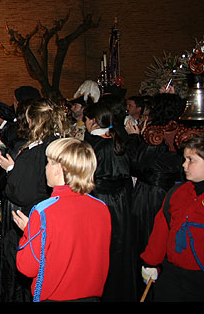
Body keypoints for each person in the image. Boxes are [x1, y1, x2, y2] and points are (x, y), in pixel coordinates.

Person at [13, 137, 111, 302]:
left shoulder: (44, 211)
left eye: (49, 162)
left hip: (55, 296)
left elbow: (27, 267)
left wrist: (29, 232)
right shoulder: (101, 207)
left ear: (59, 168)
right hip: (90, 296)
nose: (45, 167)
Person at [0, 97, 69, 302]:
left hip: (28, 215)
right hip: (41, 211)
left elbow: (24, 190)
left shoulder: (40, 150)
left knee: (22, 272)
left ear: (35, 120)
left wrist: (9, 169)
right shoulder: (54, 144)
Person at [125, 93, 185, 298]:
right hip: (169, 191)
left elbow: (136, 163)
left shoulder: (156, 134)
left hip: (151, 194)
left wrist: (133, 137)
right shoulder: (179, 131)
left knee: (147, 240)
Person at [83, 98, 137, 301]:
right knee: (119, 248)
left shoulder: (94, 145)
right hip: (121, 202)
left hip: (101, 201)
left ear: (92, 122)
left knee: (103, 252)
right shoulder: (116, 139)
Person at [140, 134, 204, 302]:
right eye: (184, 159)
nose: (184, 165)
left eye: (191, 160)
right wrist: (151, 262)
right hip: (173, 275)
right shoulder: (177, 193)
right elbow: (162, 230)